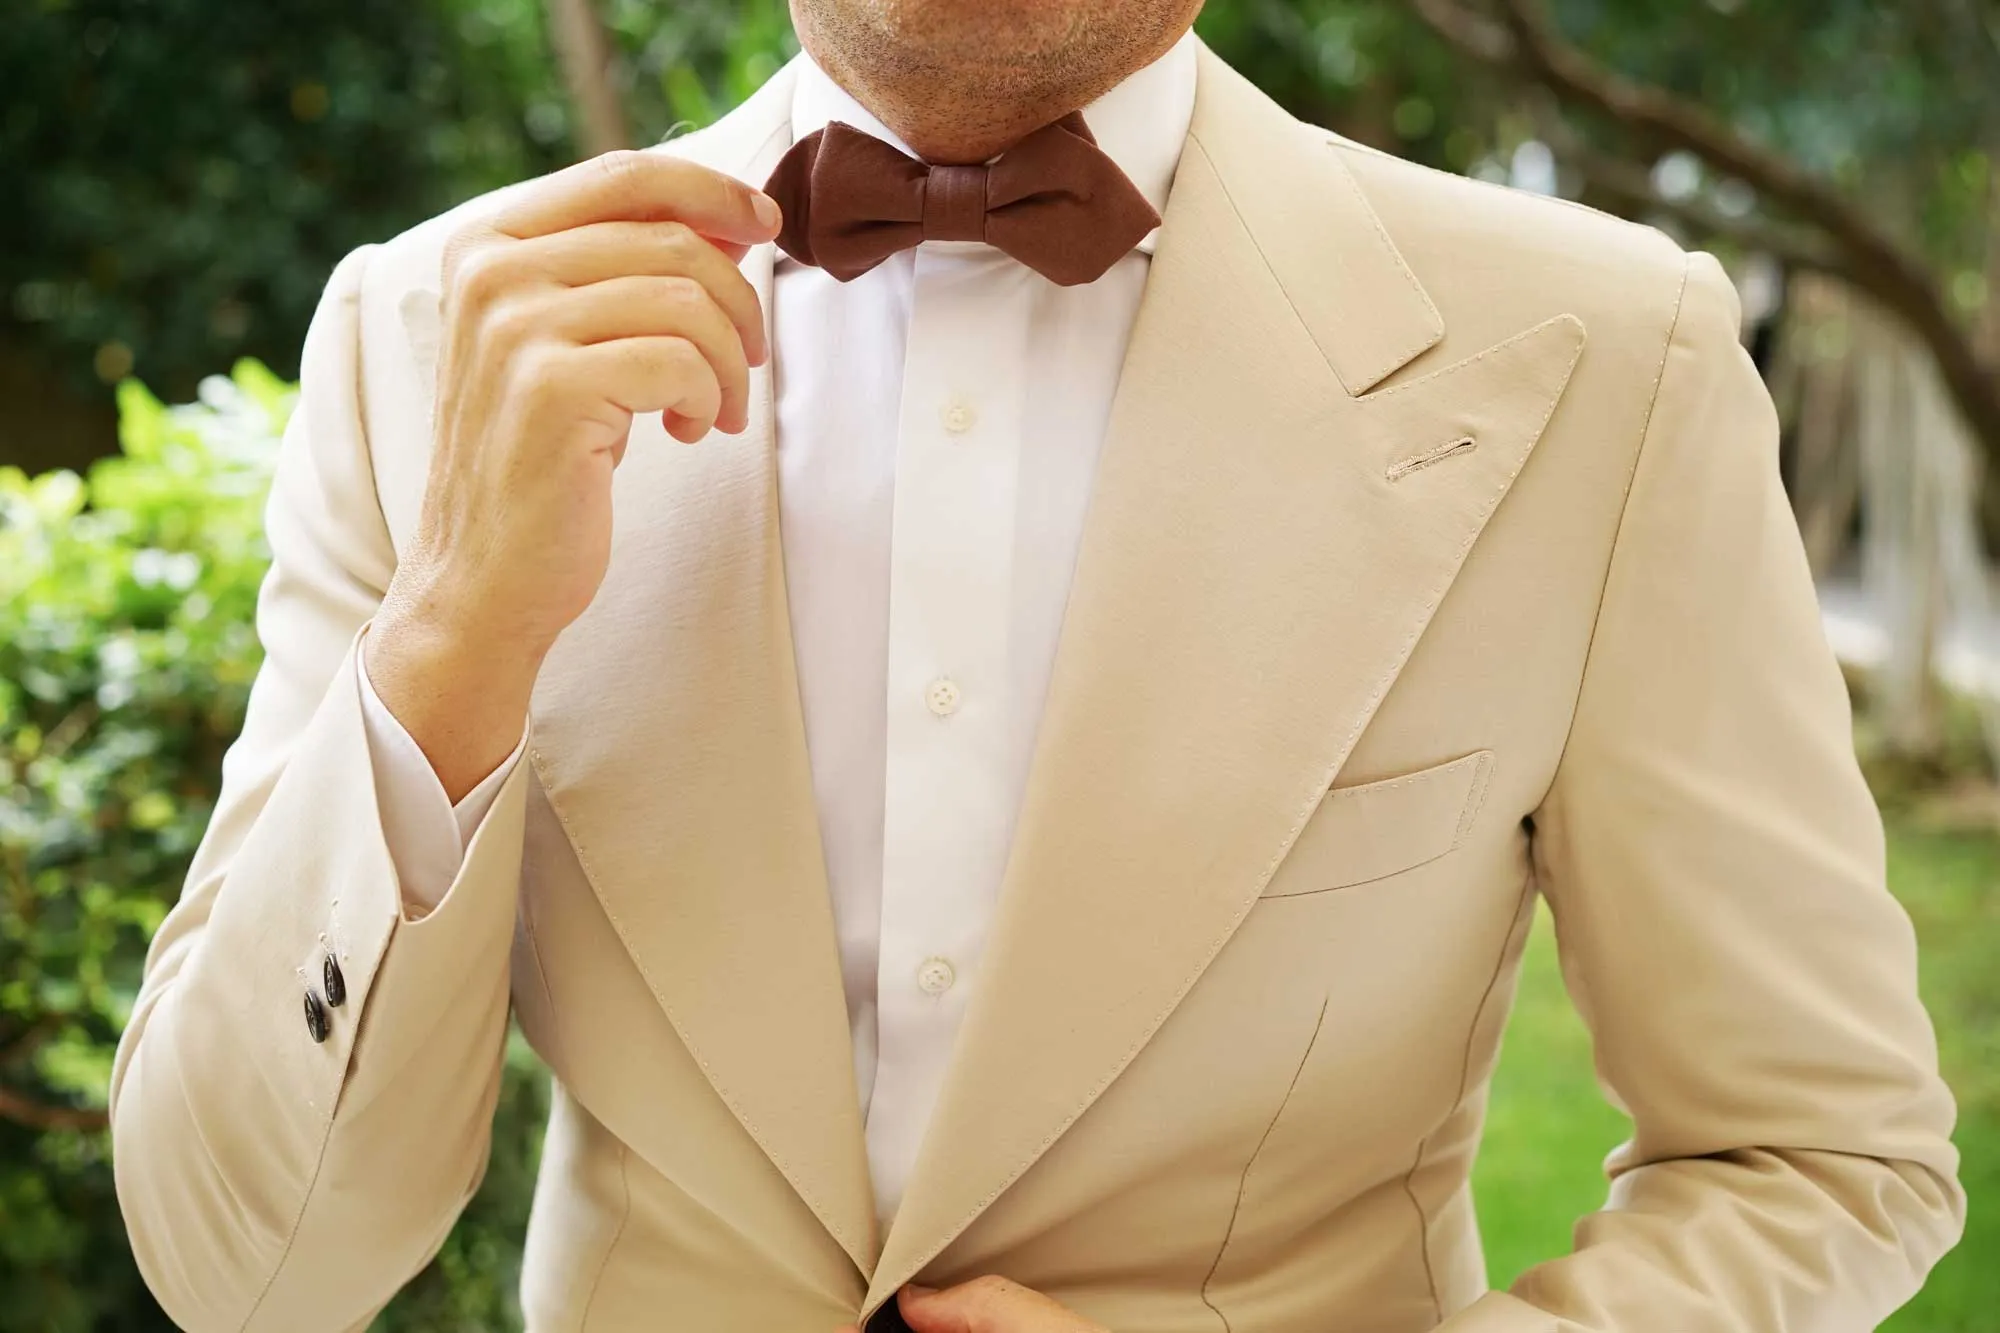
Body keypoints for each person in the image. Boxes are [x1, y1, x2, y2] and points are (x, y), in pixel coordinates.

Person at [110, 0, 1965, 1329]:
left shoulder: (1605, 360)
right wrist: (453, 634)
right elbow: (244, 1276)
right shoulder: (426, 336)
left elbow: (1819, 1160)